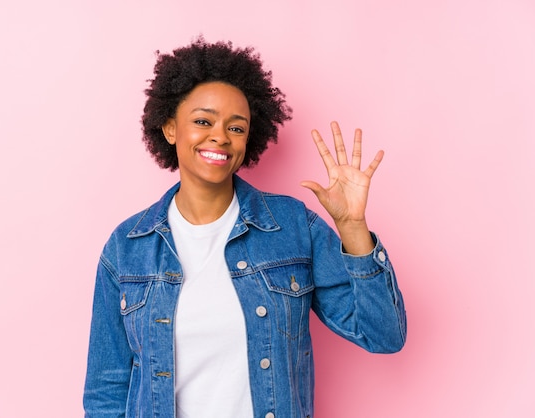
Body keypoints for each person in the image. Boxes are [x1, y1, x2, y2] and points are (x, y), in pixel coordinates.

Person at [83, 38, 406, 418]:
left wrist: (353, 228)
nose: (220, 136)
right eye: (203, 121)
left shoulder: (292, 228)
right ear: (170, 128)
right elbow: (106, 391)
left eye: (236, 128)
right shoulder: (127, 247)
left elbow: (384, 336)